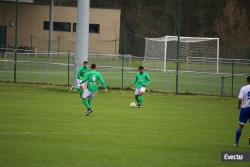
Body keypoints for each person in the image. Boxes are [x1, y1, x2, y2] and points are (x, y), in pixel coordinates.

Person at [234, 76, 250, 147]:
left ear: (247, 81)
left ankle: (236, 143)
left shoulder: (243, 88)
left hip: (245, 109)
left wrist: (238, 106)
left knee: (240, 126)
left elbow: (240, 99)